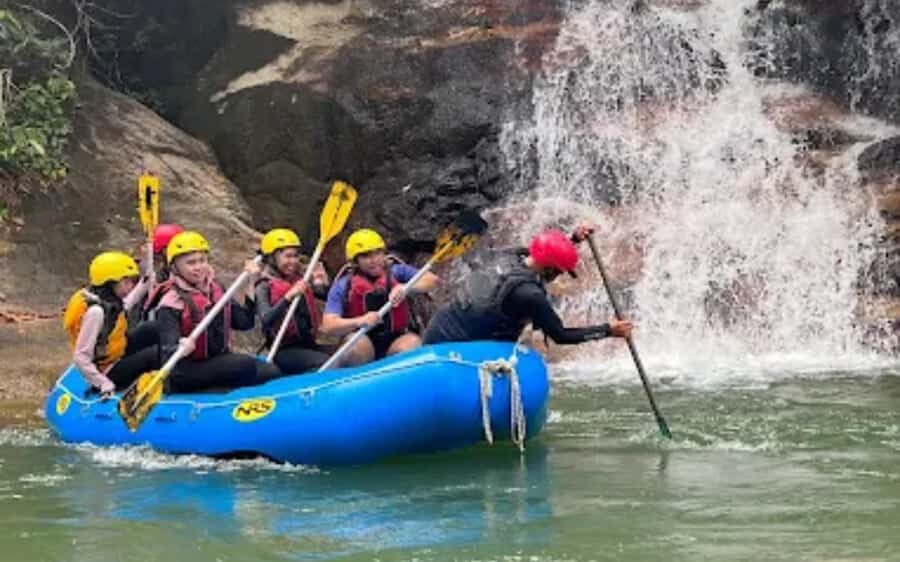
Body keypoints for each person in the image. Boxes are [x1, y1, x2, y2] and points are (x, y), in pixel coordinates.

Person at [423, 226, 633, 345]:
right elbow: (561, 336)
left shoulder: (512, 255)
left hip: (438, 328)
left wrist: (573, 239)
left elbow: (545, 253)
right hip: (458, 348)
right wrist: (608, 330)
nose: (558, 276)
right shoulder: (529, 294)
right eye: (559, 271)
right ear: (550, 269)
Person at [153, 231, 280, 392]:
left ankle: (221, 386)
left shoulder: (215, 288)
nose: (198, 267)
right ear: (174, 267)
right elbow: (168, 351)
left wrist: (250, 282)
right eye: (190, 263)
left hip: (218, 360)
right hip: (185, 370)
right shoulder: (170, 302)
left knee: (271, 371)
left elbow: (244, 323)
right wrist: (181, 348)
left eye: (202, 260)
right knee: (243, 364)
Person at [321, 228, 440, 367]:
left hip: (395, 339)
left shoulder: (397, 271)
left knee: (412, 345)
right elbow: (329, 325)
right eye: (366, 256)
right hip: (362, 339)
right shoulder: (344, 285)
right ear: (355, 261)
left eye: (378, 253)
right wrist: (360, 321)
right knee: (353, 348)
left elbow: (432, 280)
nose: (374, 260)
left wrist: (405, 288)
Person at [63, 252, 159, 398]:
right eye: (126, 282)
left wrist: (145, 283)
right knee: (154, 354)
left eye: (132, 281)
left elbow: (125, 305)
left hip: (116, 353)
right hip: (107, 370)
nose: (131, 286)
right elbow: (80, 357)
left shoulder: (107, 299)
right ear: (110, 284)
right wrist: (102, 383)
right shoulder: (95, 312)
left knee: (152, 328)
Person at [255, 228, 330, 374]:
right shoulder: (264, 285)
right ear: (272, 258)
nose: (293, 261)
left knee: (345, 357)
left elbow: (324, 295)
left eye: (295, 256)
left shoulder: (299, 277)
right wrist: (287, 297)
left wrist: (320, 280)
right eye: (287, 256)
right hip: (283, 350)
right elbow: (265, 319)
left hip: (308, 344)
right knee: (328, 364)